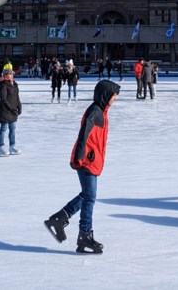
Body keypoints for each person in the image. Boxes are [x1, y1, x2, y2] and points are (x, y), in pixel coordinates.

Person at [44, 80, 120, 254]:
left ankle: (59, 218)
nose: (115, 98)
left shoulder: (101, 111)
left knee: (87, 195)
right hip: (86, 160)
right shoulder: (95, 111)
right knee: (90, 198)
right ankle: (84, 235)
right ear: (105, 95)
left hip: (91, 160)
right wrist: (80, 154)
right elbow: (84, 132)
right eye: (114, 95)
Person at [0, 67, 22, 156]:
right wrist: (11, 109)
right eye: (10, 74)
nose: (12, 75)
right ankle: (1, 147)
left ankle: (12, 146)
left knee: (13, 129)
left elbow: (16, 96)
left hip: (13, 110)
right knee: (3, 129)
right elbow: (3, 99)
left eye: (12, 74)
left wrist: (19, 105)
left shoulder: (15, 84)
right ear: (6, 75)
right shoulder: (3, 85)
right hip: (5, 110)